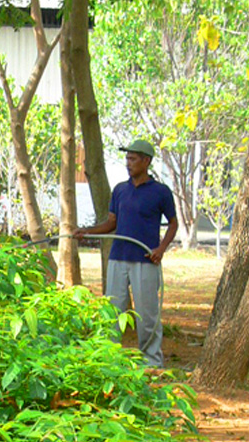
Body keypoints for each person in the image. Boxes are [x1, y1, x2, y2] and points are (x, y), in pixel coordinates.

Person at [75, 139, 178, 367]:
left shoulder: (160, 192)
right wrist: (87, 232)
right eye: (127, 158)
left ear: (146, 161)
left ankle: (151, 361)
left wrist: (161, 249)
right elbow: (111, 223)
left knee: (147, 314)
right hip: (118, 258)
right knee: (112, 310)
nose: (128, 163)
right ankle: (109, 358)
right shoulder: (120, 190)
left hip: (145, 260)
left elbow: (173, 224)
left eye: (133, 159)